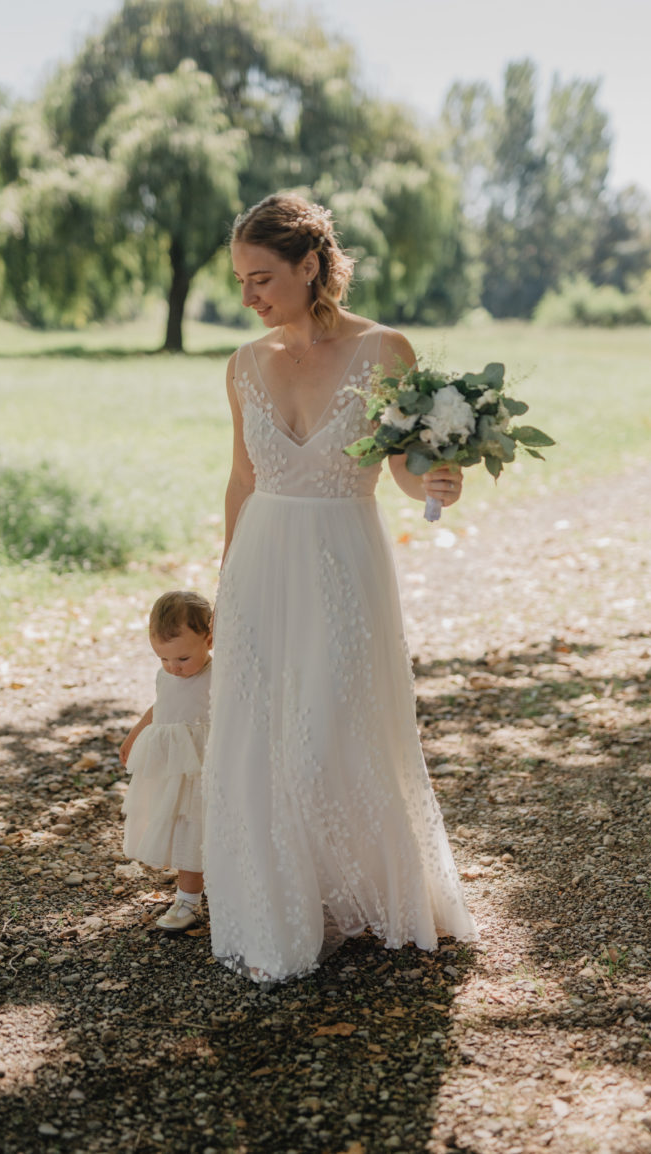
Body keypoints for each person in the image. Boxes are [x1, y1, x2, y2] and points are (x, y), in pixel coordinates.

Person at [202, 191, 478, 983]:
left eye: (261, 279)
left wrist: (436, 484)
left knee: (331, 730)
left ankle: (372, 891)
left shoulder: (385, 350)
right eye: (241, 281)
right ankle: (287, 902)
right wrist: (227, 588)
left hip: (341, 558)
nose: (248, 297)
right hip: (260, 561)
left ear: (311, 264)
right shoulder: (244, 364)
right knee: (258, 735)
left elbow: (402, 466)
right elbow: (240, 480)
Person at [120, 590, 212, 932]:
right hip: (178, 775)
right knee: (188, 831)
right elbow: (160, 707)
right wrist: (134, 734)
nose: (173, 668)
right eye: (163, 659)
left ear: (209, 638)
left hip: (208, 768)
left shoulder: (219, 675)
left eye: (183, 659)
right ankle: (188, 899)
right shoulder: (168, 676)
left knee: (218, 829)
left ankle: (231, 888)